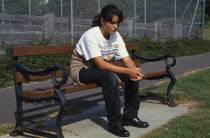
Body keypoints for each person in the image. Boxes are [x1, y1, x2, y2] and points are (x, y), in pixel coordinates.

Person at [70, 4, 149, 137]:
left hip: (99, 68)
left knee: (130, 76)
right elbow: (101, 65)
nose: (116, 27)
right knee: (109, 76)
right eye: (112, 23)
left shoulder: (116, 36)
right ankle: (114, 123)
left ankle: (130, 116)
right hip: (82, 69)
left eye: (118, 23)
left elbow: (127, 60)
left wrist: (134, 71)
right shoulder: (91, 35)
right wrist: (127, 71)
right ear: (102, 21)